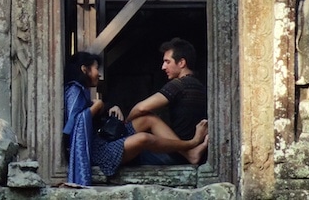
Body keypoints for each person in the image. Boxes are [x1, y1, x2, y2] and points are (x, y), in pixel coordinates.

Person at [63, 52, 208, 186]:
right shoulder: (74, 91)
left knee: (148, 119)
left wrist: (108, 107)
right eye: (96, 69)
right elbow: (74, 124)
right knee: (143, 138)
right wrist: (97, 106)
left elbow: (95, 113)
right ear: (84, 69)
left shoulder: (84, 92)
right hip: (98, 152)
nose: (99, 74)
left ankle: (190, 154)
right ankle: (191, 144)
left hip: (104, 140)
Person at [125, 38, 208, 165]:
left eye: (167, 62)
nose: (163, 67)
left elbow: (141, 108)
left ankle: (189, 154)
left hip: (174, 156)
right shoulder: (200, 86)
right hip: (189, 153)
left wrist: (127, 125)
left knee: (134, 143)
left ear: (181, 63)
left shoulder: (178, 85)